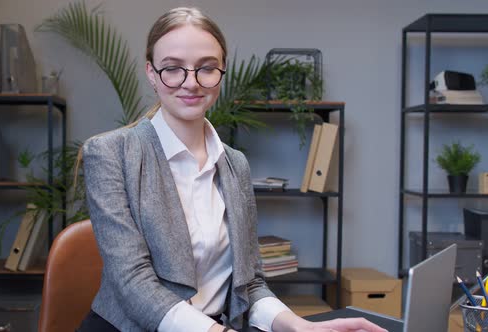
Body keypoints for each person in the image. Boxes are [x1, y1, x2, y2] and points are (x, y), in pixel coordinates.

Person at [78, 7, 387, 332]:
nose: (191, 83)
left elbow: (249, 283)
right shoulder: (110, 154)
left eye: (206, 68)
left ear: (222, 71)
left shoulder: (234, 164)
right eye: (173, 68)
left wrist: (299, 327)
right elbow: (132, 283)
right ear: (152, 73)